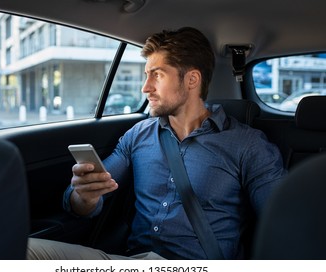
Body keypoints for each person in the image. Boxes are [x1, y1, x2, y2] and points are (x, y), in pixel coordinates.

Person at [27, 27, 286, 260]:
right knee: (20, 250)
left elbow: (285, 222)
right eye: (145, 75)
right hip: (130, 264)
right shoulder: (138, 135)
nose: (145, 87)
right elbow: (88, 200)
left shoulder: (247, 144)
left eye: (157, 75)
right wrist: (84, 196)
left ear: (192, 80)